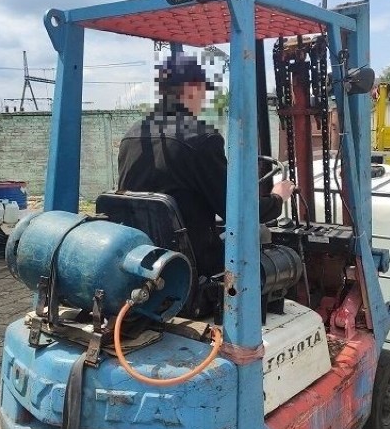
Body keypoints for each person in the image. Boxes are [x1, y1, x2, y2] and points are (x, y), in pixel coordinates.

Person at [117, 55, 295, 277]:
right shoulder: (202, 140)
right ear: (192, 89)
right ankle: (260, 309)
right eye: (203, 90)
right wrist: (277, 199)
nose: (203, 98)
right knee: (259, 233)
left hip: (139, 257)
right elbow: (236, 213)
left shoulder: (133, 135)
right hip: (189, 262)